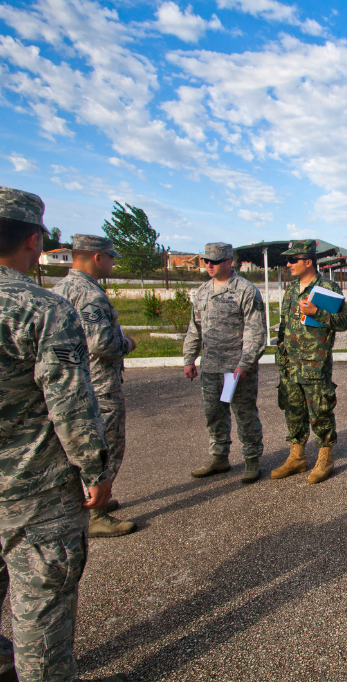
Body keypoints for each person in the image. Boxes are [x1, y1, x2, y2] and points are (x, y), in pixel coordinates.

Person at [0, 186, 126, 682]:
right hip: (33, 489)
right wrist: (96, 471)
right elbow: (69, 404)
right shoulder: (41, 309)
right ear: (34, 241)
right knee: (40, 613)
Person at [52, 234, 137, 538]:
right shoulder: (89, 294)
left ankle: (90, 501)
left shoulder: (60, 289)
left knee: (81, 445)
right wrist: (127, 343)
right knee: (108, 444)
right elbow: (103, 343)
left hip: (73, 383)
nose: (113, 263)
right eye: (111, 257)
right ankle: (96, 512)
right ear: (97, 257)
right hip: (99, 383)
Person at [182, 243, 267, 484]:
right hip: (211, 368)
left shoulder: (245, 291)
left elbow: (255, 333)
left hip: (235, 370)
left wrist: (244, 365)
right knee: (214, 414)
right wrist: (189, 358)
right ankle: (219, 456)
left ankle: (251, 459)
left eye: (215, 261)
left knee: (243, 414)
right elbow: (194, 328)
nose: (209, 265)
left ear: (229, 262)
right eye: (206, 261)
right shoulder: (202, 291)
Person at [271, 241, 347, 483]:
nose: (288, 264)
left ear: (308, 261)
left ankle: (325, 457)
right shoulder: (291, 289)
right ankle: (297, 457)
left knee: (320, 411)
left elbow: (343, 323)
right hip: (290, 363)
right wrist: (281, 353)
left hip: (315, 364)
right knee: (293, 410)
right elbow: (284, 326)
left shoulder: (327, 288)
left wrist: (317, 312)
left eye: (292, 260)